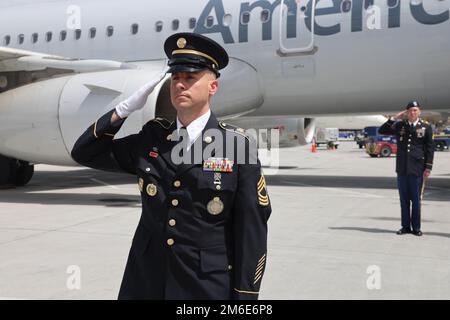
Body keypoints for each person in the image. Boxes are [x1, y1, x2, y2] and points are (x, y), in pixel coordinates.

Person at [71, 32, 272, 299]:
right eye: (176, 77)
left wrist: (244, 297)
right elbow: (85, 152)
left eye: (190, 77)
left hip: (202, 287)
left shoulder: (237, 146)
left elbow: (251, 231)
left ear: (213, 87)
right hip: (144, 281)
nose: (180, 85)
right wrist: (123, 109)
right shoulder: (152, 138)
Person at [379, 100, 434, 236]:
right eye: (410, 111)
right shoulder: (400, 125)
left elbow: (429, 149)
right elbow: (382, 130)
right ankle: (405, 226)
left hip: (417, 169)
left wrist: (428, 167)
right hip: (402, 169)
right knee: (403, 200)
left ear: (419, 112)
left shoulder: (426, 127)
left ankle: (416, 227)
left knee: (416, 200)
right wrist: (393, 118)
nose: (412, 113)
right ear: (406, 112)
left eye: (415, 110)